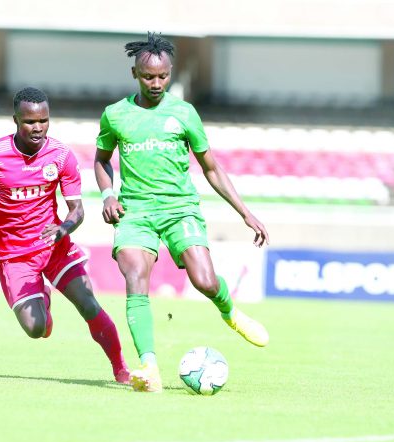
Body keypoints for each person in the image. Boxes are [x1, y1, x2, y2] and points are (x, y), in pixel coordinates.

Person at [94, 33, 270, 393]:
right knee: (134, 274)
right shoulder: (115, 114)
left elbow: (211, 168)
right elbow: (101, 160)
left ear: (170, 73)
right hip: (136, 210)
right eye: (148, 77)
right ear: (134, 73)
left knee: (204, 281)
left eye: (162, 76)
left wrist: (244, 213)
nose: (156, 84)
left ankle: (230, 312)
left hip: (179, 208)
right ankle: (149, 367)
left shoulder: (184, 113)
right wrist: (108, 195)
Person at [0, 87, 130, 384]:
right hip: (14, 256)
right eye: (30, 122)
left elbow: (77, 211)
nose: (38, 128)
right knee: (36, 329)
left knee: (87, 303)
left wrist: (63, 229)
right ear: (15, 120)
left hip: (53, 245)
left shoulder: (60, 156)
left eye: (44, 121)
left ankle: (121, 369)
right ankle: (42, 299)